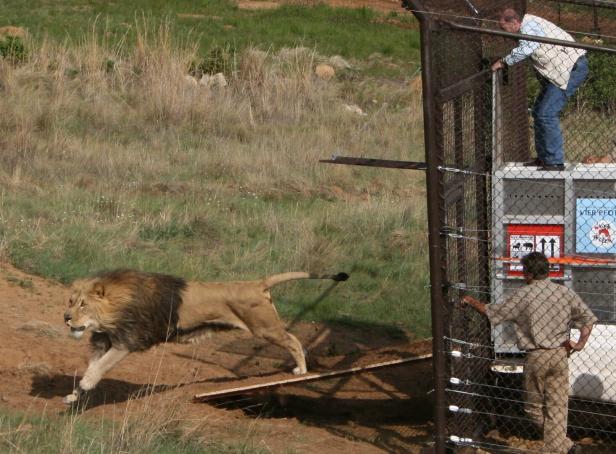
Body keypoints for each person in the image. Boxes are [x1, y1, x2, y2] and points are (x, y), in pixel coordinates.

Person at [461, 252, 597, 454]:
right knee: (558, 407)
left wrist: (471, 301)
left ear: (528, 273)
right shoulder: (563, 292)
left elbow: (492, 312)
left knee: (532, 407)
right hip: (560, 354)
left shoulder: (523, 295)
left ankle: (560, 447)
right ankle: (564, 446)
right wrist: (579, 344)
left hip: (537, 356)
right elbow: (588, 320)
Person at [492, 9, 589, 171]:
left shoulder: (528, 27)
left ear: (514, 23)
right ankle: (545, 158)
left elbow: (528, 47)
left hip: (571, 69)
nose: (505, 34)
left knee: (546, 113)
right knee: (538, 111)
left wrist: (504, 61)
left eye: (504, 28)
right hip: (562, 71)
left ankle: (554, 161)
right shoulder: (531, 23)